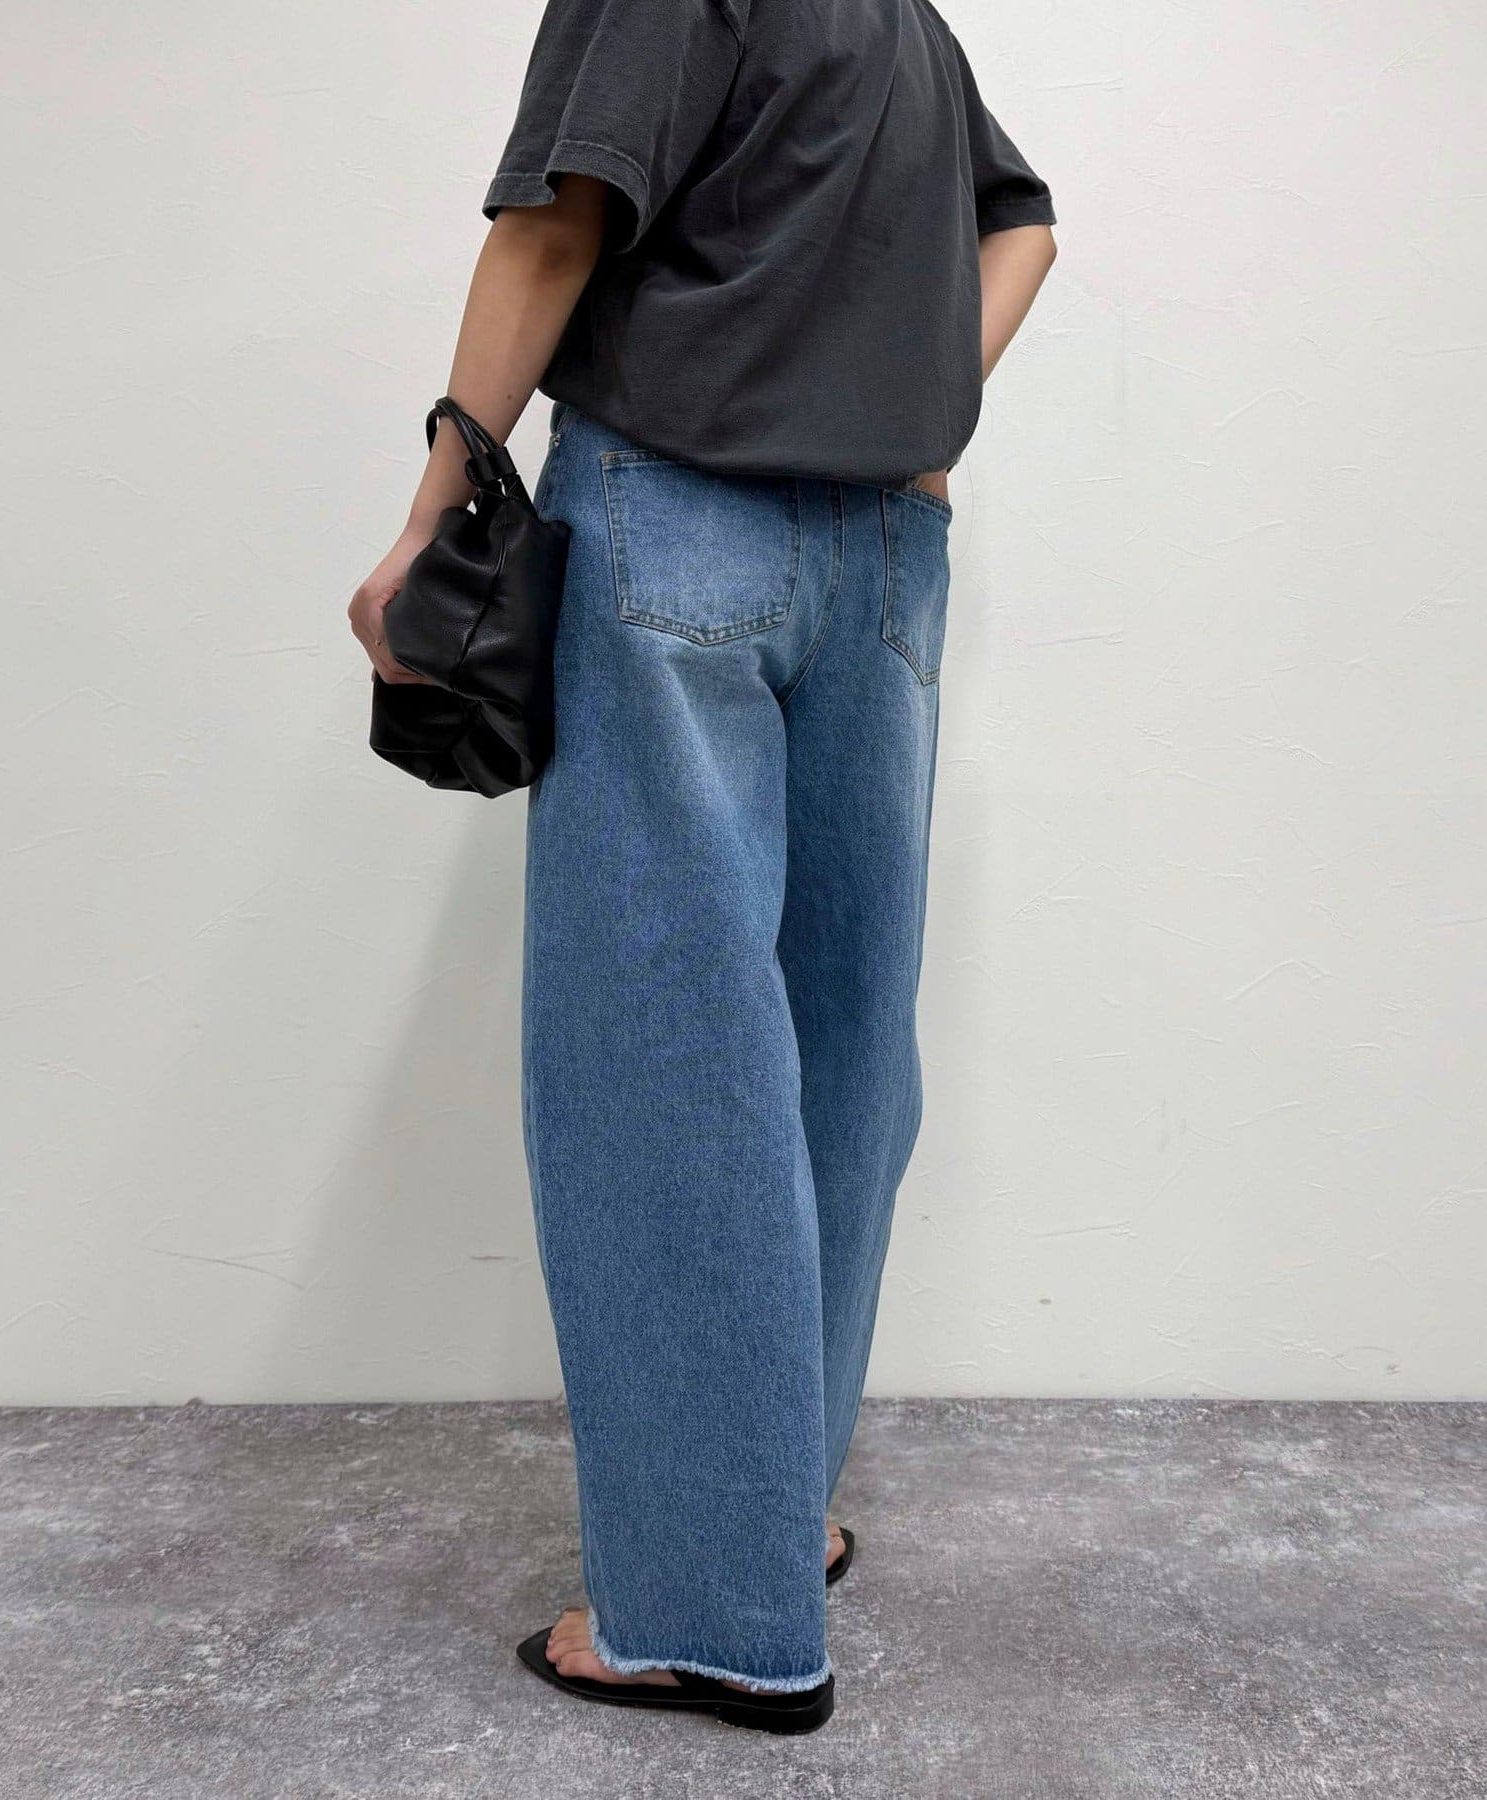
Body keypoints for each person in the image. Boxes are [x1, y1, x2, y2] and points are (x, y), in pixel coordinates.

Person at [349, 0, 1056, 1734]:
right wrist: (917, 415)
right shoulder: (900, 19)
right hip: (886, 546)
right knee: (834, 1041)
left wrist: (435, 514)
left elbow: (555, 226)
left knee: (664, 1059)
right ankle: (774, 1514)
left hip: (679, 516)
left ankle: (704, 1613)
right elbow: (1023, 227)